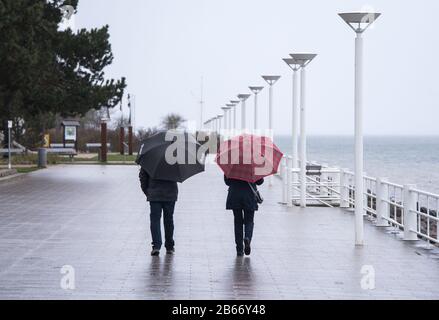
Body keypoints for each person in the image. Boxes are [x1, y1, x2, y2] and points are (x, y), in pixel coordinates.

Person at [139, 168, 178, 256]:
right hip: (170, 193)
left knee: (155, 220)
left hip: (154, 193)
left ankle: (156, 246)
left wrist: (147, 191)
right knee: (169, 220)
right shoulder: (174, 157)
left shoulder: (150, 157)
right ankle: (169, 246)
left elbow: (143, 176)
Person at [224, 175, 264, 256]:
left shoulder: (232, 164)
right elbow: (260, 182)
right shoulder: (254, 164)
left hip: (235, 195)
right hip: (249, 195)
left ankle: (239, 249)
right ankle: (247, 238)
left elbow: (227, 182)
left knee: (238, 222)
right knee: (249, 221)